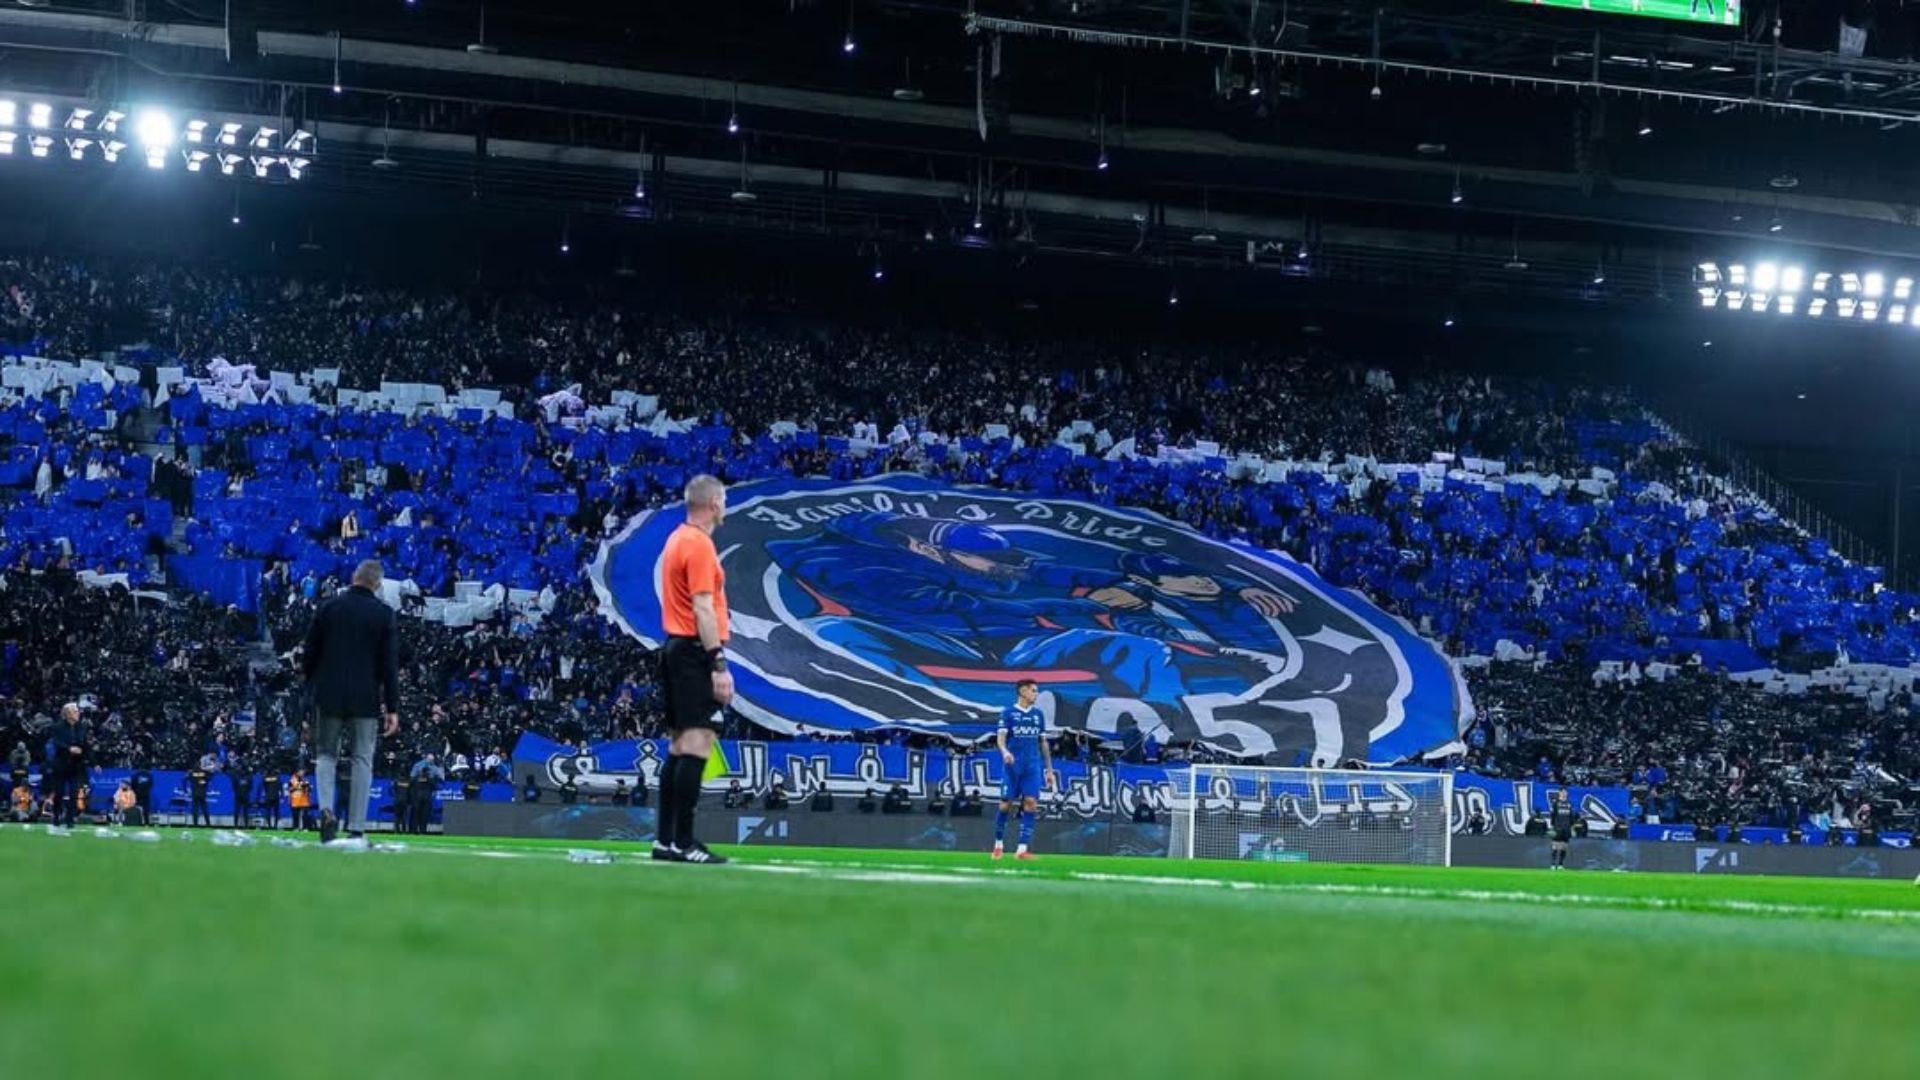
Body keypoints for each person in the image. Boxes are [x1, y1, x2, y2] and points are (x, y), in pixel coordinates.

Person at [652, 474, 733, 865]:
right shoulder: (698, 545)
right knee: (698, 742)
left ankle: (666, 840)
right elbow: (703, 607)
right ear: (714, 502)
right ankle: (684, 841)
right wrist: (718, 662)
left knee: (679, 746)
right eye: (725, 500)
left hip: (675, 648)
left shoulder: (676, 539)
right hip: (694, 651)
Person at [302, 559, 401, 841]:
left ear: (353, 578)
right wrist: (392, 706)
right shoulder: (384, 614)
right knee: (361, 758)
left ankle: (326, 809)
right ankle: (356, 827)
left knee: (325, 754)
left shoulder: (328, 607)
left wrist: (312, 688)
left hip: (328, 693)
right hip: (365, 697)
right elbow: (389, 665)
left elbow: (309, 654)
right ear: (378, 584)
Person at [992, 678, 1055, 861]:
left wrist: (1049, 770)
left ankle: (1021, 850)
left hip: (1032, 766)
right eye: (1034, 690)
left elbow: (1043, 742)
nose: (1036, 694)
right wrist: (1004, 752)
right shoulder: (1008, 713)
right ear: (1023, 691)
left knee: (1031, 803)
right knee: (1005, 804)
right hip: (1012, 766)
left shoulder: (1038, 715)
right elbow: (1001, 738)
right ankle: (998, 844)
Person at [47, 703, 89, 827]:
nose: (78, 713)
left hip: (75, 765)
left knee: (74, 793)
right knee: (59, 793)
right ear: (67, 714)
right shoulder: (57, 727)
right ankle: (56, 817)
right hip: (61, 764)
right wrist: (69, 749)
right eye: (75, 711)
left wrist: (92, 760)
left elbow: (85, 743)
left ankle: (70, 819)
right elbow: (57, 742)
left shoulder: (81, 727)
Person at [1548, 789, 1577, 870]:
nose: (1564, 794)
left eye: (1565, 792)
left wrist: (1572, 828)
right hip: (1558, 827)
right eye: (1562, 792)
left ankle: (1561, 864)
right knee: (1555, 845)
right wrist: (1552, 827)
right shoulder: (1556, 803)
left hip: (1567, 827)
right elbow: (1553, 816)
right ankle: (1553, 864)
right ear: (1559, 793)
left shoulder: (1569, 804)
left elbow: (1571, 817)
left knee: (1564, 846)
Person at [187, 761, 213, 827]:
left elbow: (188, 778)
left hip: (195, 792)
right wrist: (203, 782)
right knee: (204, 808)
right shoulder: (204, 772)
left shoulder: (192, 773)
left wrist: (195, 782)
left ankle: (195, 824)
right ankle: (208, 824)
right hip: (202, 792)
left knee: (195, 809)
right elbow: (209, 777)